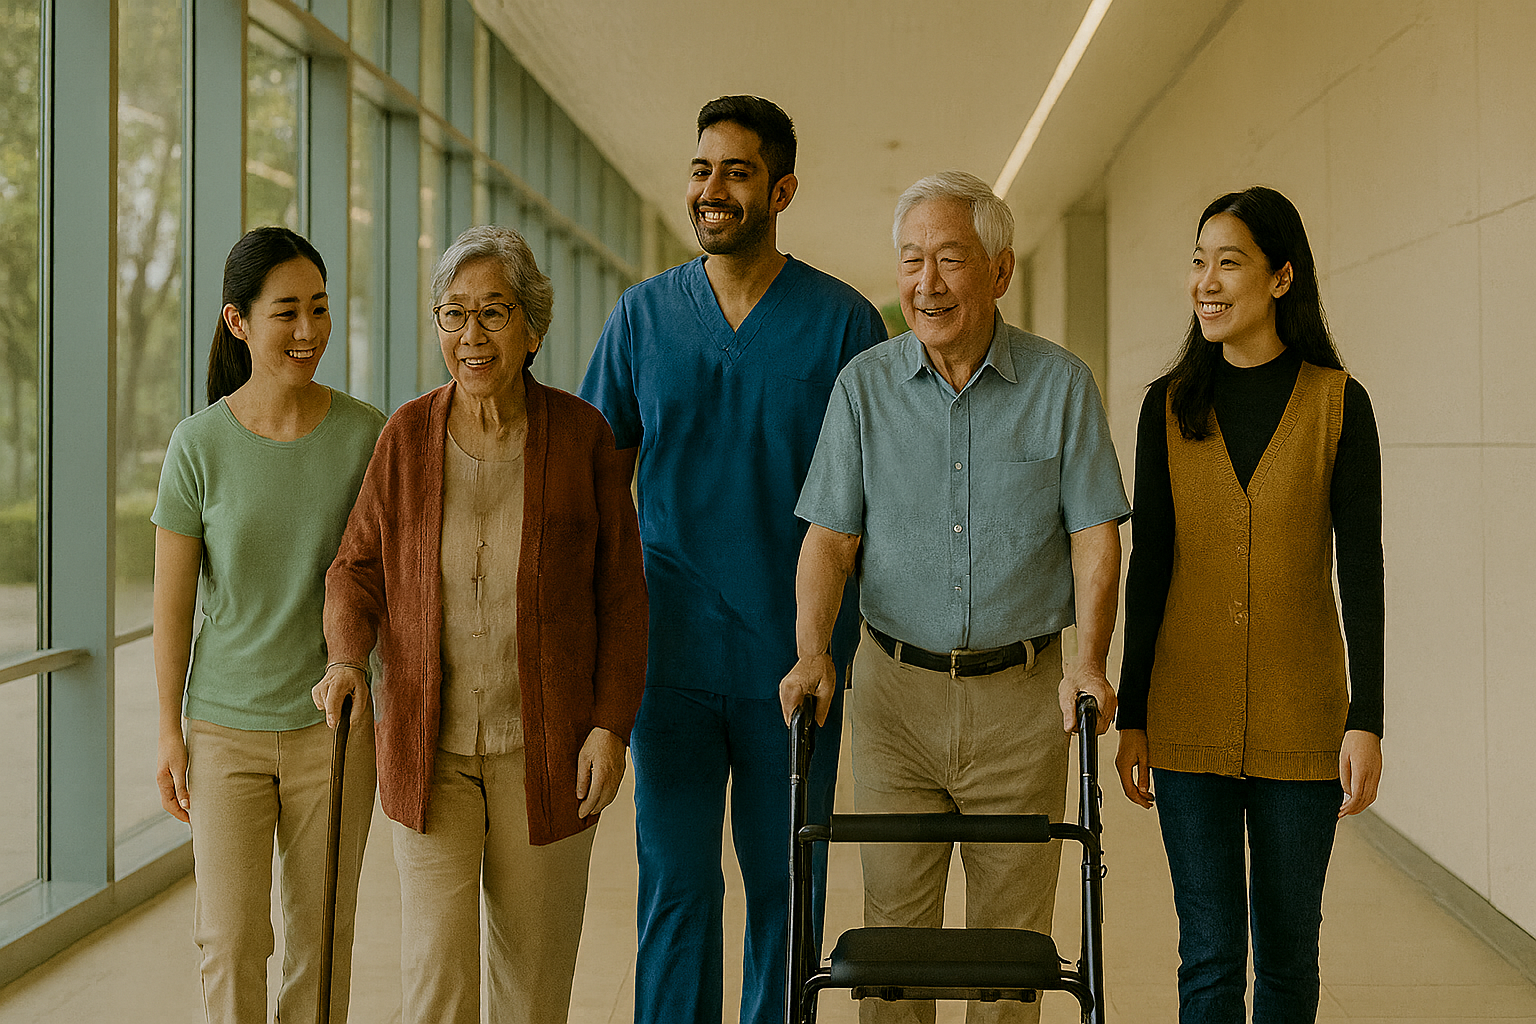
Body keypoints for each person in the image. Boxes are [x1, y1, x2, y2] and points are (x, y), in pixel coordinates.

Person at [782, 170, 1128, 1024]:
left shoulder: (1060, 386)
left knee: (1011, 946)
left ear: (1000, 271)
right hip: (895, 701)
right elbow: (829, 538)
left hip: (1022, 703)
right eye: (911, 261)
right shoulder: (864, 388)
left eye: (949, 259)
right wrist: (812, 651)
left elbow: (1095, 537)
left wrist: (1088, 662)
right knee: (894, 943)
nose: (925, 284)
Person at [578, 95, 886, 1024]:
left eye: (736, 172)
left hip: (794, 661)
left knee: (786, 890)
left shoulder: (842, 325)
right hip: (666, 660)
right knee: (674, 888)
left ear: (782, 189)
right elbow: (595, 486)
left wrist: (834, 644)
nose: (711, 190)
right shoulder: (642, 318)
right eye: (702, 169)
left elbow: (875, 503)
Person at [315, 224, 647, 1024]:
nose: (472, 334)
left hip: (552, 748)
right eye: (454, 314)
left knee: (532, 986)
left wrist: (610, 726)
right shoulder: (407, 437)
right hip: (429, 753)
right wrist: (347, 659)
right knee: (436, 981)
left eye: (493, 313)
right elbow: (354, 567)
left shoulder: (580, 437)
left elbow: (623, 596)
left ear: (532, 329)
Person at [1114, 185, 1384, 1023]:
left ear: (1281, 278)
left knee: (1290, 954)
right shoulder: (1166, 406)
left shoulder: (1339, 403)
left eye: (1228, 262)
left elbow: (1362, 567)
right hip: (1184, 711)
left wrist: (1366, 717)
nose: (1206, 281)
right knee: (1209, 957)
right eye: (1198, 262)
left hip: (1303, 715)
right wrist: (1132, 712)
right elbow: (1148, 564)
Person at [152, 226, 383, 1024]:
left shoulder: (366, 434)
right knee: (229, 941)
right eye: (287, 312)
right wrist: (168, 731)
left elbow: (388, 578)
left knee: (323, 940)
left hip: (337, 731)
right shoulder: (197, 445)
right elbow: (172, 606)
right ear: (238, 322)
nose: (309, 331)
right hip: (223, 731)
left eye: (319, 309)